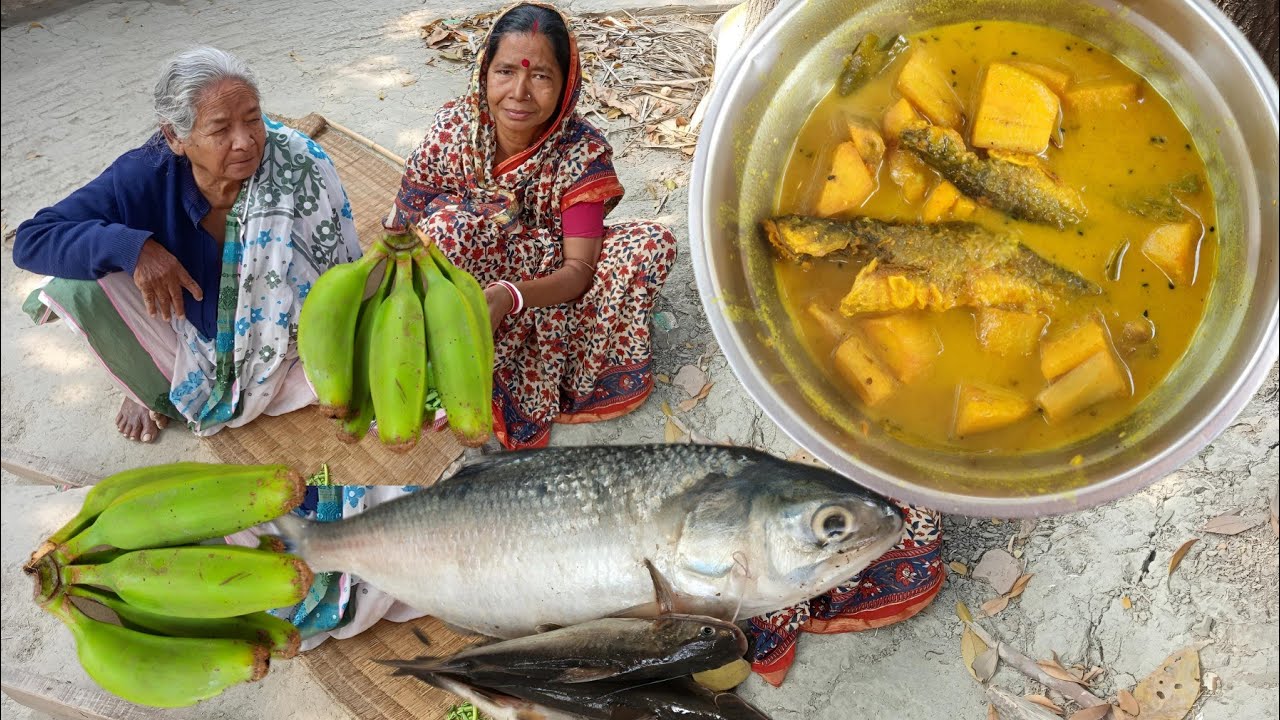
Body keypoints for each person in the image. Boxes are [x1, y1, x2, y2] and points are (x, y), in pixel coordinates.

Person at [14, 47, 361, 441]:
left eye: (253, 119)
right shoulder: (143, 175)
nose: (245, 141)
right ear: (174, 137)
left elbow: (336, 262)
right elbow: (32, 239)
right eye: (220, 130)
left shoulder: (298, 163)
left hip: (285, 331)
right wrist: (135, 248)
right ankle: (146, 382)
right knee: (81, 282)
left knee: (350, 370)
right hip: (192, 321)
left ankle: (175, 381)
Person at [389, 2, 677, 450]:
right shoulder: (453, 131)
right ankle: (443, 360)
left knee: (650, 245)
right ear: (484, 73)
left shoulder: (580, 152)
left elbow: (579, 270)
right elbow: (404, 225)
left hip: (550, 287)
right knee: (445, 230)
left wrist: (511, 294)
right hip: (466, 280)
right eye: (505, 71)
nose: (520, 92)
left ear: (565, 85)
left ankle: (558, 368)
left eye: (540, 75)